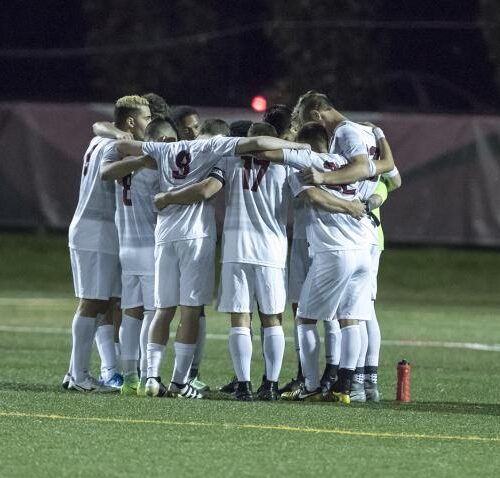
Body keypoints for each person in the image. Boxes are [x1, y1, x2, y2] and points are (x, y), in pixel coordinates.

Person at [114, 121, 309, 399]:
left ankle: (154, 377)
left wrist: (163, 191)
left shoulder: (183, 151)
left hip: (198, 241)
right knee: (266, 318)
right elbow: (216, 182)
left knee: (167, 310)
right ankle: (266, 384)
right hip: (250, 244)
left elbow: (123, 147)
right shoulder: (225, 150)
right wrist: (298, 146)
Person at [257, 120, 394, 402]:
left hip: (336, 250)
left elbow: (309, 193)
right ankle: (346, 386)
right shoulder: (350, 163)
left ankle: (309, 385)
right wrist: (378, 135)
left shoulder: (307, 163)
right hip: (365, 247)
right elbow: (391, 172)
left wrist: (291, 146)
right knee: (350, 319)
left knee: (305, 318)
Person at [65, 95, 151, 392]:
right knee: (92, 303)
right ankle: (78, 376)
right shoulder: (119, 146)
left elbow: (99, 125)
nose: (149, 124)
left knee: (99, 302)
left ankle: (75, 372)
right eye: (147, 119)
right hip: (96, 231)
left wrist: (113, 131)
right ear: (130, 122)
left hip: (94, 230)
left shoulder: (100, 140)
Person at [100, 117, 176, 396]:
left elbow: (105, 173)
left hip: (126, 248)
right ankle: (147, 376)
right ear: (165, 141)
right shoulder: (157, 166)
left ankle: (130, 377)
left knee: (131, 314)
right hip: (150, 248)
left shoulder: (126, 162)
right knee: (153, 314)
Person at [350, 166, 402, 402]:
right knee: (365, 309)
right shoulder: (373, 167)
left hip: (365, 241)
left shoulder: (371, 171)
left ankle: (361, 379)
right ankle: (367, 379)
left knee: (360, 310)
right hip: (365, 241)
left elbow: (383, 190)